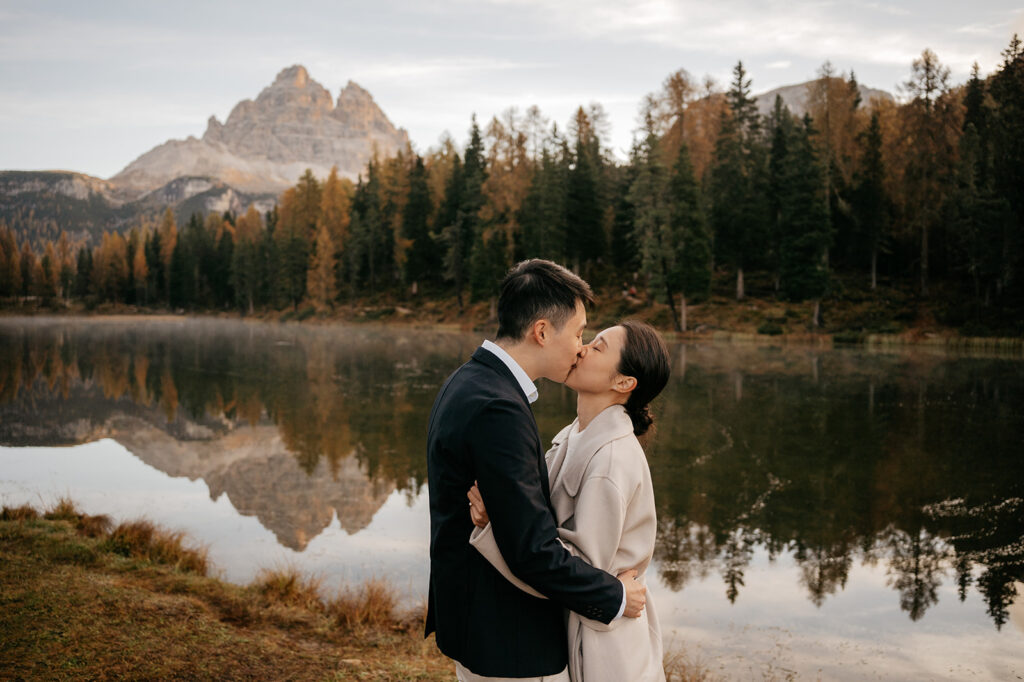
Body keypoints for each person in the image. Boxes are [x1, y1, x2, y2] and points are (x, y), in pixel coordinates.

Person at [425, 259, 647, 681]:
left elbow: (515, 521)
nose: (581, 347)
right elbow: (533, 551)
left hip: (478, 626)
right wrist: (615, 596)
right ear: (542, 332)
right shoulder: (500, 409)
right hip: (510, 639)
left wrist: (498, 517)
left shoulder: (469, 380)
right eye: (580, 333)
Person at [467, 320, 670, 682]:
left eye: (598, 347)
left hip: (603, 647)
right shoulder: (574, 433)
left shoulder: (610, 460)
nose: (582, 349)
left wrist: (497, 523)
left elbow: (579, 571)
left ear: (623, 383)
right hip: (578, 627)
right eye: (588, 340)